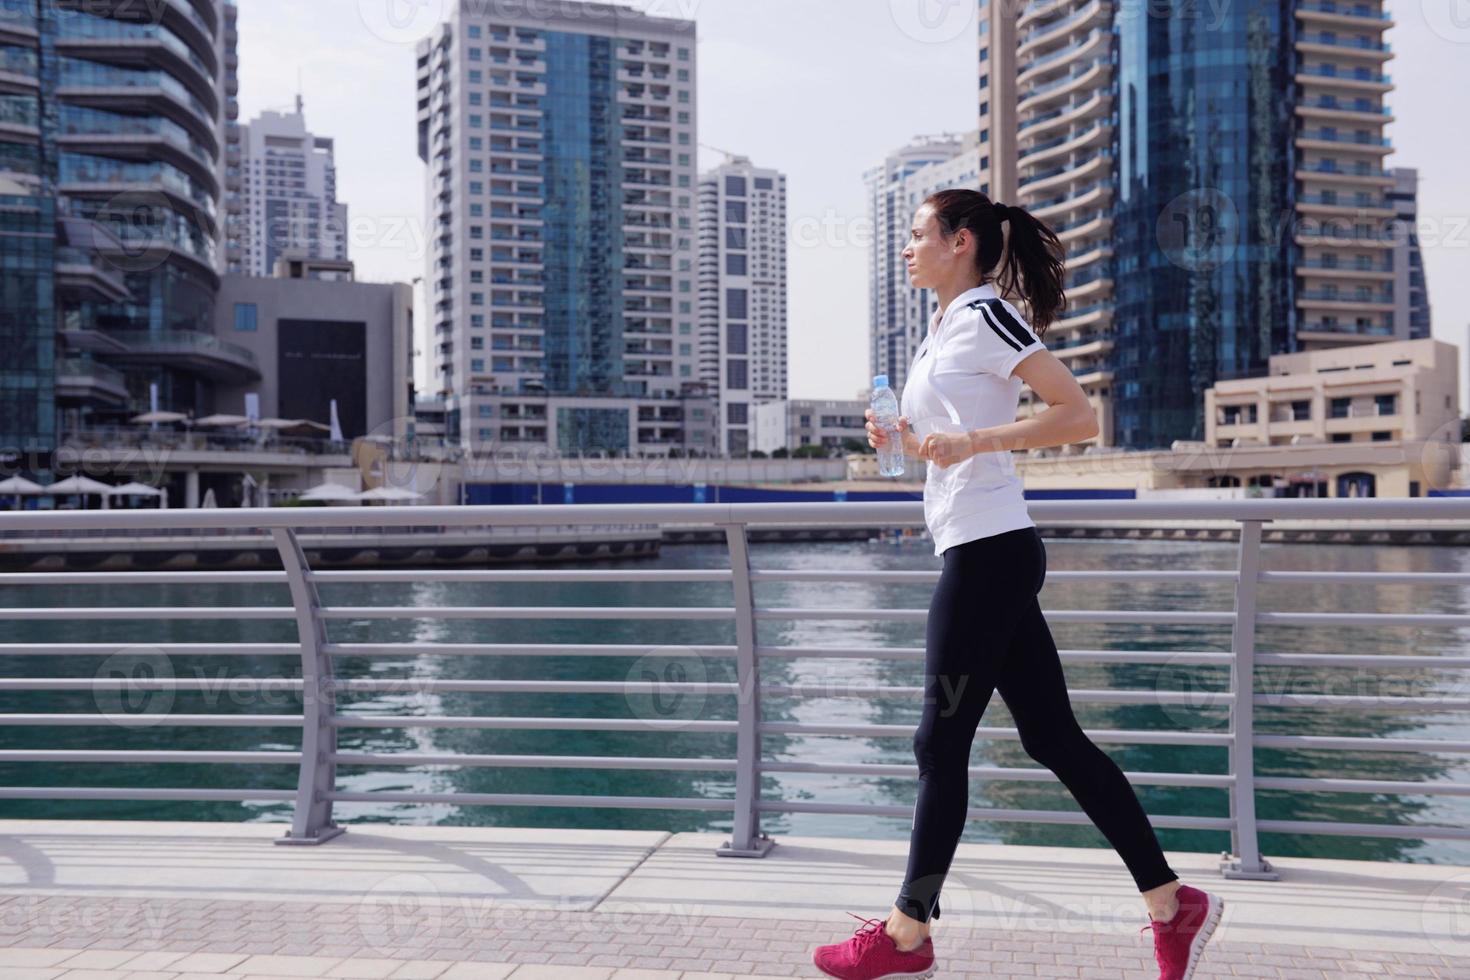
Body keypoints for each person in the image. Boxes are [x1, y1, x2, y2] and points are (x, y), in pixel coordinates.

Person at [810, 189, 1224, 980]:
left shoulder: (986, 315)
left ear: (960, 241)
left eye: (917, 234)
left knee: (939, 743)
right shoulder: (937, 331)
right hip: (977, 546)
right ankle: (1173, 904)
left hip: (989, 552)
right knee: (1051, 738)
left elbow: (1078, 415)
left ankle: (906, 934)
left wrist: (975, 440)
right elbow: (950, 441)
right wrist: (902, 436)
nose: (906, 247)